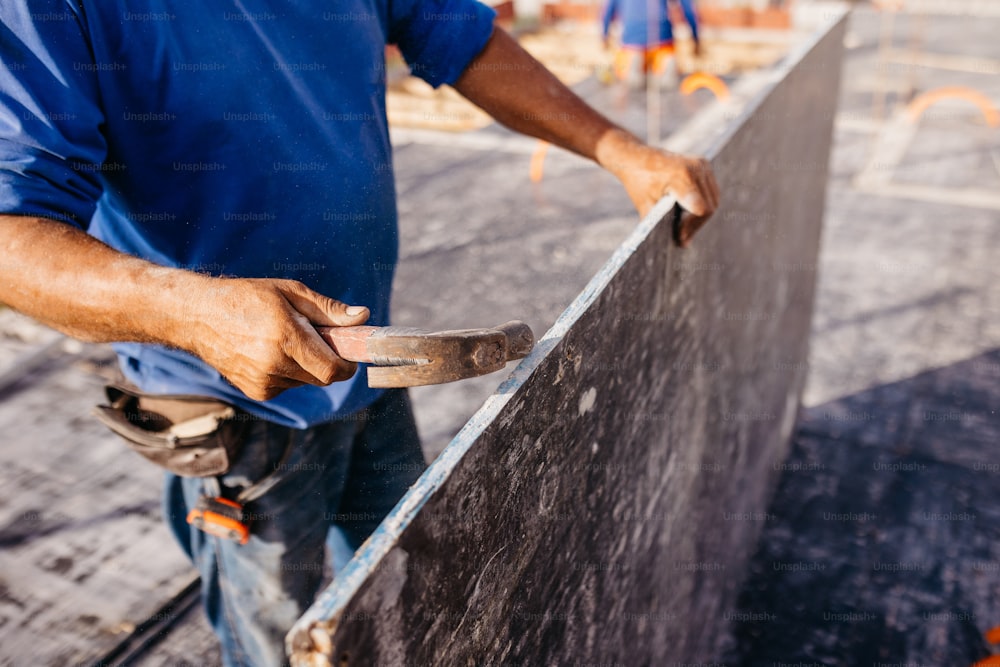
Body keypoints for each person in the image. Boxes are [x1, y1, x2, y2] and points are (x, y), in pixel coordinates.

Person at [0, 1, 719, 665]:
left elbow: (459, 37)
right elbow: (12, 233)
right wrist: (192, 311)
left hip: (371, 371)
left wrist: (620, 148)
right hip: (234, 413)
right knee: (278, 639)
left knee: (418, 601)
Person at [601, 0, 701, 87]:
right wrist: (696, 38)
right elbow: (688, 8)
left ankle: (631, 65)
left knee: (622, 66)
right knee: (662, 62)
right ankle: (664, 63)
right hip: (662, 39)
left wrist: (604, 37)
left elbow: (607, 11)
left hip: (632, 42)